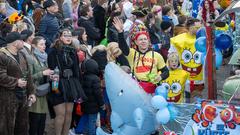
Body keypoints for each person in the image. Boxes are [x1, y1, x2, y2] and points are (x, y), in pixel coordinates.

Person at [113, 17, 169, 94]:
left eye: (145, 39)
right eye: (140, 39)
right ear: (136, 42)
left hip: (153, 88)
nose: (143, 41)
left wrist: (160, 77)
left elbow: (166, 72)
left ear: (148, 41)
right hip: (137, 88)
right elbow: (123, 46)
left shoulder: (156, 55)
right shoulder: (132, 53)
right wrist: (120, 32)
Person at [47, 28, 87, 135]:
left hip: (71, 84)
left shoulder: (73, 51)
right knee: (61, 114)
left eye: (70, 35)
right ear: (60, 37)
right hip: (58, 83)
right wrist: (55, 87)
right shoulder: (53, 51)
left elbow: (77, 71)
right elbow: (52, 69)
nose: (68, 37)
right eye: (65, 35)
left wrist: (79, 87)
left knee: (69, 113)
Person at [0, 32, 36, 135]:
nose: (23, 42)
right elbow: (0, 76)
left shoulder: (22, 54)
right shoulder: (2, 55)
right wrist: (16, 82)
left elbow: (28, 75)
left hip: (23, 97)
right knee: (6, 128)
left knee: (22, 127)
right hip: (7, 99)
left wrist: (32, 92)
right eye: (21, 40)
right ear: (15, 43)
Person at [170, 18, 204, 102]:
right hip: (184, 75)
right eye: (196, 27)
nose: (198, 29)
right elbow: (171, 55)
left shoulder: (203, 39)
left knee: (198, 98)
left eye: (200, 27)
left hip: (200, 75)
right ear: (189, 27)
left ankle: (197, 111)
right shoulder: (178, 40)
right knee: (186, 98)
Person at [29, 36, 54, 135]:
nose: (44, 46)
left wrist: (50, 76)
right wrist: (43, 73)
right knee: (35, 121)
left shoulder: (44, 56)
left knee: (42, 120)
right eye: (41, 44)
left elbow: (45, 74)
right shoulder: (31, 58)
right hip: (35, 92)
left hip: (43, 92)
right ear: (34, 46)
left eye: (44, 44)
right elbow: (29, 77)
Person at [76, 59, 105, 135]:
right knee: (92, 122)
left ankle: (82, 132)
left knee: (86, 119)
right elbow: (98, 93)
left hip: (85, 104)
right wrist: (102, 104)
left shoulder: (83, 77)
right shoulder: (95, 79)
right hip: (94, 106)